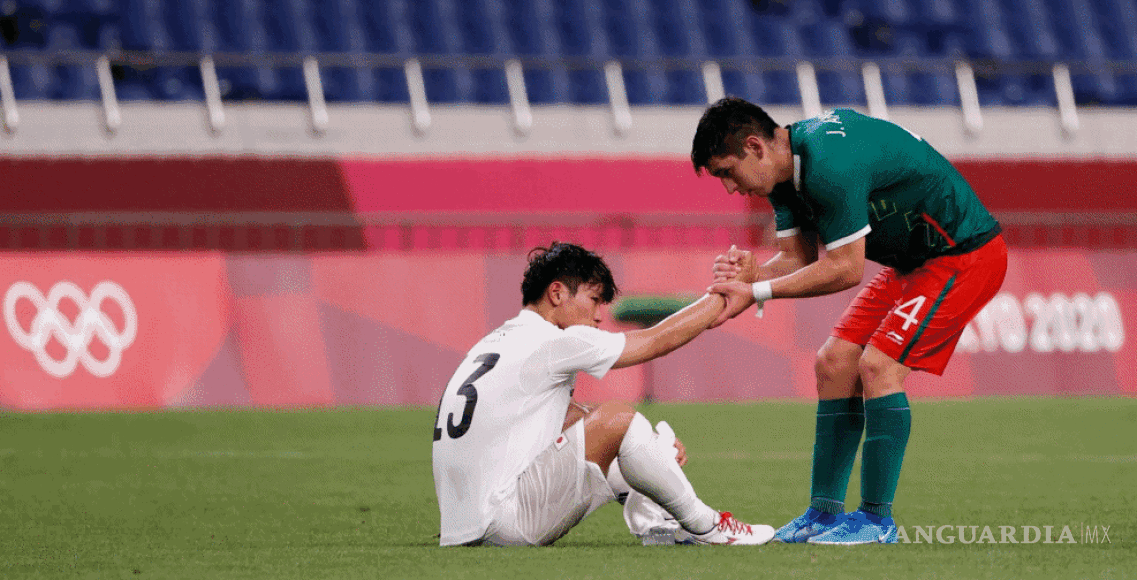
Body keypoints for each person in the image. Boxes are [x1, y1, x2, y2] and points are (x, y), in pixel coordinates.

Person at [694, 98, 1007, 545]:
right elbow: (796, 258)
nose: (729, 187)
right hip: (913, 264)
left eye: (727, 171)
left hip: (964, 255)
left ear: (754, 146)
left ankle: (877, 521)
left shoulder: (828, 161)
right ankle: (822, 514)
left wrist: (757, 291)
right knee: (834, 362)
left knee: (879, 366)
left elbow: (844, 269)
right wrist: (751, 277)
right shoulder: (784, 175)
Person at [431, 242, 775, 547]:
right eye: (594, 300)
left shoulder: (497, 342)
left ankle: (659, 523)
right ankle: (709, 527)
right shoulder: (554, 341)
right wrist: (726, 294)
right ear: (557, 294)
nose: (598, 316)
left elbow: (561, 420)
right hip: (505, 523)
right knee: (619, 419)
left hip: (464, 527)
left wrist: (651, 450)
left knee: (620, 434)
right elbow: (657, 340)